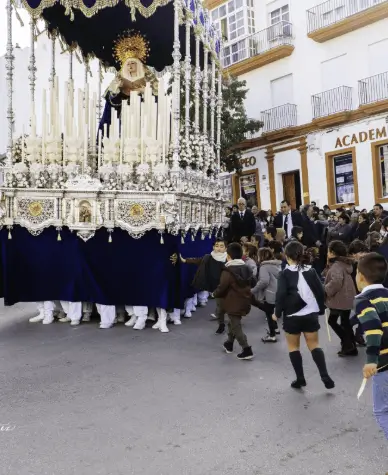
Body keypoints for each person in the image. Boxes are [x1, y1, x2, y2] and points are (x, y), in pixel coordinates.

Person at [274, 241, 334, 389]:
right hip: (310, 313)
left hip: (292, 315)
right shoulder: (311, 271)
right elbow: (320, 291)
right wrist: (320, 309)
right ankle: (324, 374)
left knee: (293, 347)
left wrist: (277, 312)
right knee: (314, 344)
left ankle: (300, 379)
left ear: (287, 257)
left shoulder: (284, 273)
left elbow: (281, 294)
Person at [354, 253, 388, 440]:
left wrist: (371, 361)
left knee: (382, 412)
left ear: (360, 276)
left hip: (384, 364)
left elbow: (374, 329)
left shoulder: (363, 300)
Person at [213, 242, 254, 360]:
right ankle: (229, 343)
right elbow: (253, 282)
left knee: (236, 325)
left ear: (228, 256)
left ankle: (246, 349)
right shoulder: (247, 268)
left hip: (232, 302)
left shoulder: (227, 271)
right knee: (232, 323)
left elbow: (222, 287)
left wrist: (214, 293)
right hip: (244, 301)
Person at [179, 239, 227, 334]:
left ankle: (233, 320)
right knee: (220, 305)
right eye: (217, 246)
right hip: (216, 286)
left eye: (221, 246)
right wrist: (185, 260)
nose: (218, 248)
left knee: (228, 305)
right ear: (213, 247)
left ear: (225, 248)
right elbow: (198, 260)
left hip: (227, 284)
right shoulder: (208, 257)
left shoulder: (228, 258)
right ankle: (221, 324)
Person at [324, 240, 358, 356]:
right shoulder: (345, 263)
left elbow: (336, 282)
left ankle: (348, 344)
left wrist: (325, 290)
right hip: (347, 297)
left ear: (333, 253)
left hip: (339, 299)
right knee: (345, 322)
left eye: (329, 251)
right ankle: (351, 345)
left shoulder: (337, 265)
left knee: (332, 321)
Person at [252, 247, 282, 343]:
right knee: (270, 312)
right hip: (277, 293)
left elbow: (264, 281)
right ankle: (275, 329)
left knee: (268, 312)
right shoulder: (275, 265)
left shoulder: (264, 267)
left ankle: (272, 335)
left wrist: (253, 290)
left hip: (270, 294)